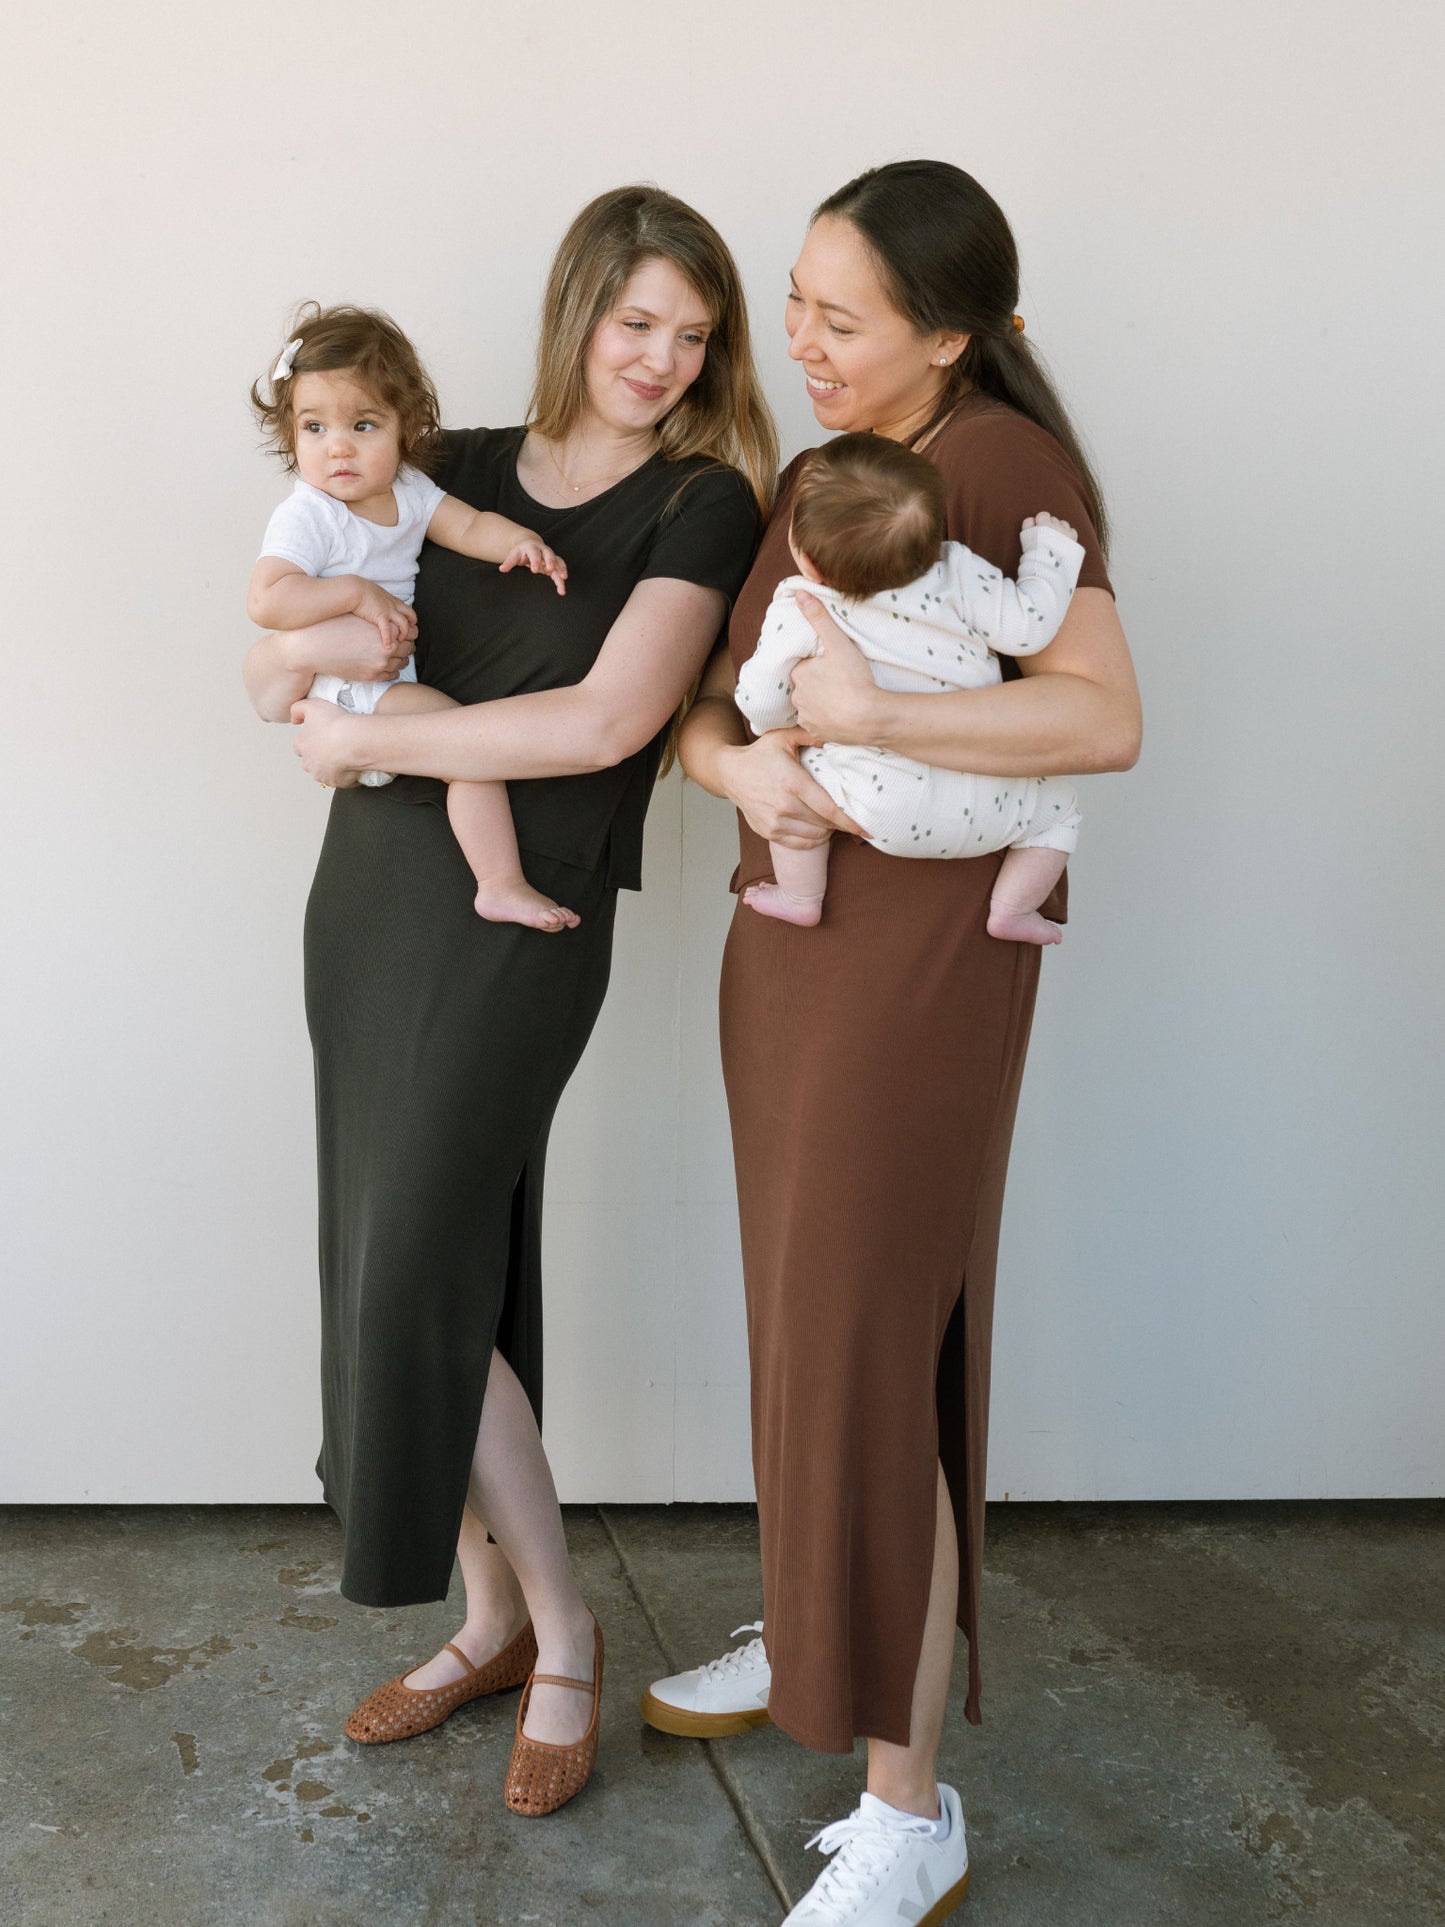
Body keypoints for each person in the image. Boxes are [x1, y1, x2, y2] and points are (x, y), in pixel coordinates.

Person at [646, 161, 1140, 1923]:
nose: (797, 339)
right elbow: (720, 697)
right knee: (810, 1316)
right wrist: (737, 766)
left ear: (949, 333)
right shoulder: (822, 469)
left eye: (836, 317)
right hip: (798, 948)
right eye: (794, 299)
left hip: (915, 967)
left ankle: (909, 1803)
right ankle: (818, 1626)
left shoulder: (1005, 465)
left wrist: (870, 712)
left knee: (877, 1337)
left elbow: (1103, 718)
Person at [243, 184, 772, 1817]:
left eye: (693, 335)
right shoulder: (439, 462)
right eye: (637, 322)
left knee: (416, 1263)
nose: (664, 359)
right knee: (408, 1252)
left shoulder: (703, 504)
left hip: (524, 915)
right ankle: (483, 1618)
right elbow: (271, 663)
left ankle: (562, 1629)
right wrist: (315, 672)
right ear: (578, 311)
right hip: (375, 904)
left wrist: (380, 732)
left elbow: (609, 723)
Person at [249, 303, 580, 933]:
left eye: (364, 424)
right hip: (346, 691)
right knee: (465, 742)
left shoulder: (408, 493)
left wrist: (521, 543)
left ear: (408, 428)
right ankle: (500, 882)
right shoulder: (310, 513)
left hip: (384, 685)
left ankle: (496, 882)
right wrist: (354, 594)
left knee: (460, 744)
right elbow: (267, 600)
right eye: (313, 427)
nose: (337, 448)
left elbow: (470, 525)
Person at [733, 431, 1084, 939]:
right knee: (1060, 811)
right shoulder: (958, 569)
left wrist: (777, 729)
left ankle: (800, 896)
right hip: (992, 804)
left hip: (878, 811)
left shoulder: (802, 602)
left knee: (796, 783)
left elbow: (762, 700)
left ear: (805, 558)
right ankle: (1012, 909)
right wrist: (1048, 552)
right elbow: (1028, 627)